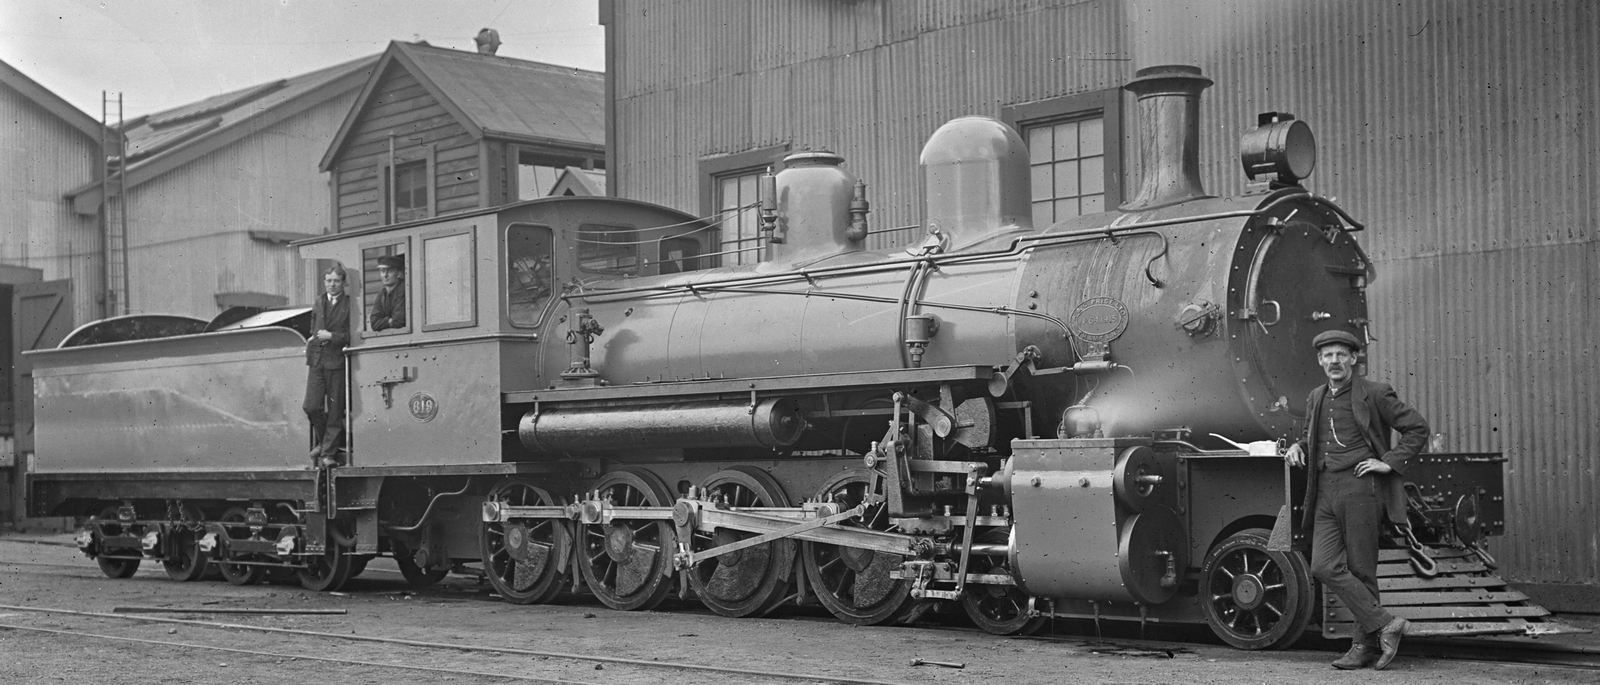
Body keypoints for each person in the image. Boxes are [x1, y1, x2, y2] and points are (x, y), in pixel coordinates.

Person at [1284, 329, 1429, 670]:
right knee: (1322, 565)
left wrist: (1388, 461)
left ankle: (1362, 648)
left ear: (1353, 358)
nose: (1334, 361)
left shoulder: (1375, 393)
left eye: (1340, 355)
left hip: (1361, 488)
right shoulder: (1316, 396)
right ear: (1320, 360)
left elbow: (1417, 428)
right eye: (1327, 356)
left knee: (1363, 570)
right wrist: (1296, 447)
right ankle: (1387, 624)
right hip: (1324, 491)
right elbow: (1310, 438)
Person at [305, 265, 351, 468]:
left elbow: (352, 335)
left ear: (343, 283)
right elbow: (313, 326)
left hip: (336, 361)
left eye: (336, 281)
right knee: (311, 406)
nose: (332, 285)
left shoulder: (350, 304)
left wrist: (332, 337)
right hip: (316, 360)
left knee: (334, 410)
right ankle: (325, 443)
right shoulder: (318, 301)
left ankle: (327, 453)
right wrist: (312, 338)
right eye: (328, 281)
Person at [369, 254, 406, 331]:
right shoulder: (382, 294)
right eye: (382, 271)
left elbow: (398, 321)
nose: (385, 275)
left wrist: (384, 321)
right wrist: (389, 321)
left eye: (389, 271)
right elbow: (374, 323)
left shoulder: (404, 289)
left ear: (398, 273)